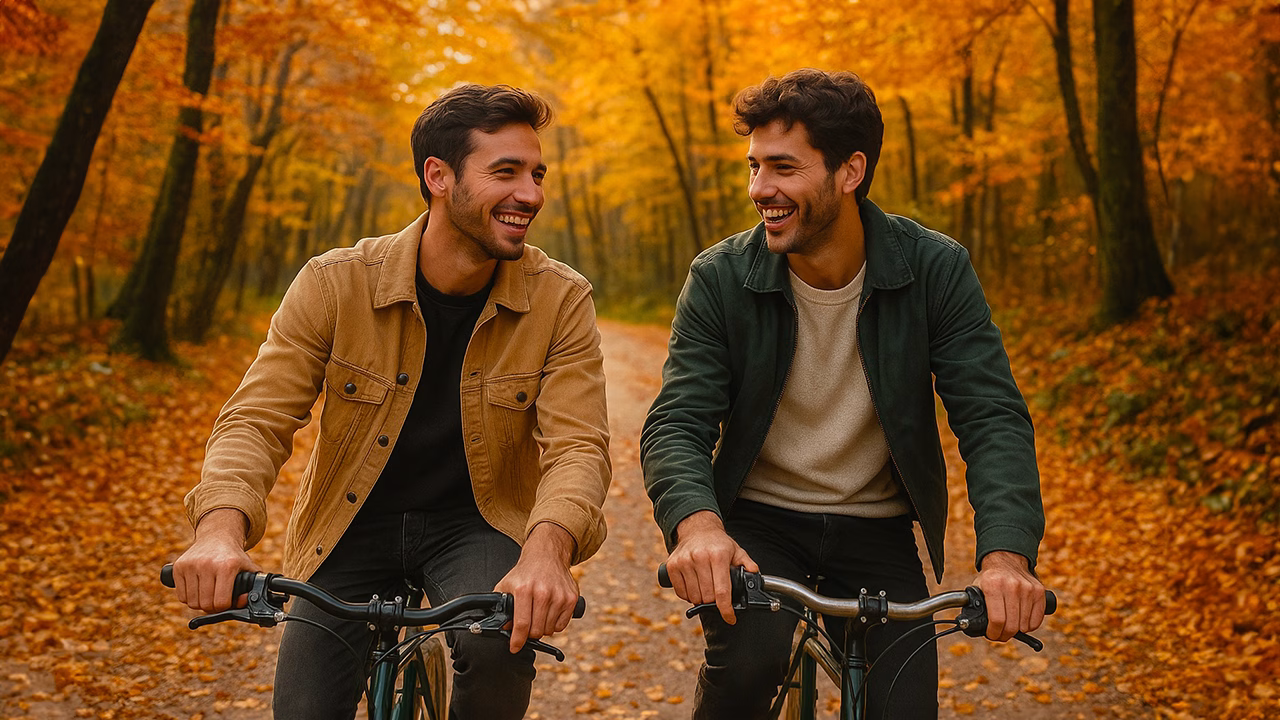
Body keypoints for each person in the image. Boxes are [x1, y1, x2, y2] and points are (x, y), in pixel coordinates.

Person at [168, 83, 611, 719]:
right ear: (438, 175)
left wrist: (546, 555)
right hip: (352, 521)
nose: (531, 195)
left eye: (537, 174)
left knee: (497, 646)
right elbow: (257, 418)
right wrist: (218, 531)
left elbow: (578, 446)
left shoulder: (559, 299)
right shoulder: (334, 283)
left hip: (477, 523)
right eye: (506, 172)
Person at [640, 68, 1046, 718]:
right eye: (753, 167)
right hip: (759, 522)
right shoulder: (720, 278)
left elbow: (991, 415)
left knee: (906, 706)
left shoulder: (934, 268)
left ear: (851, 170)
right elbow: (678, 422)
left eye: (782, 167)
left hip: (877, 531)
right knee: (747, 667)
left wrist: (1007, 556)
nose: (759, 189)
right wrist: (699, 529)